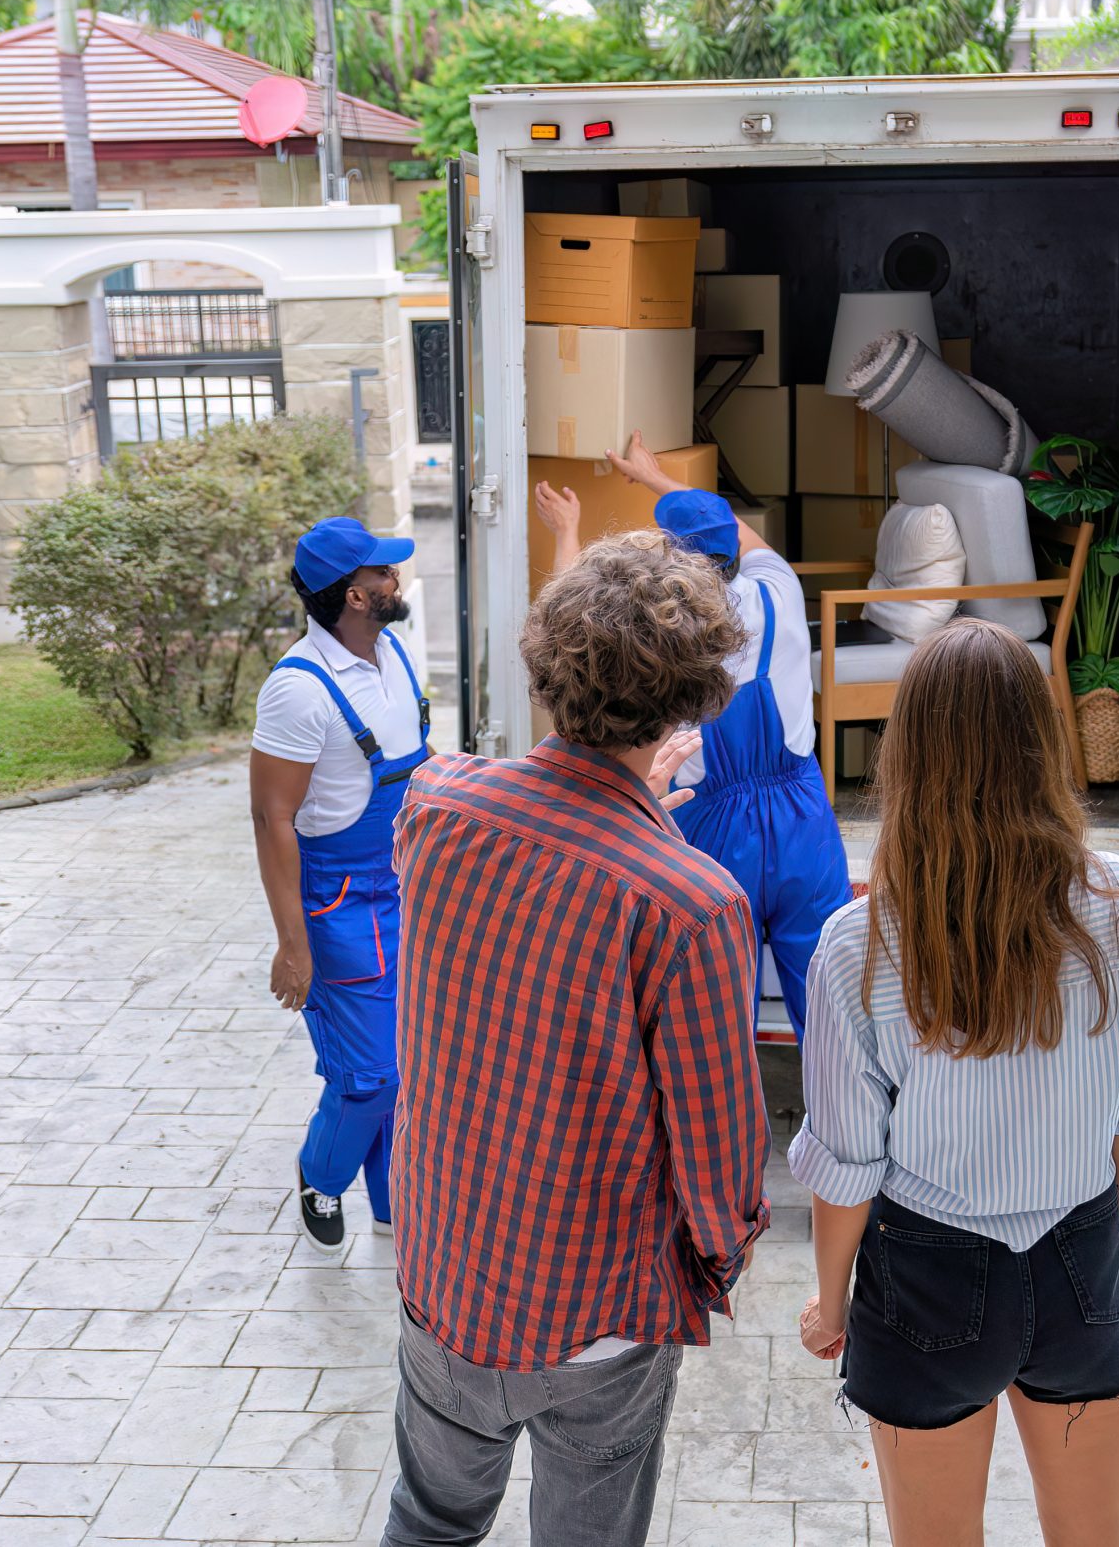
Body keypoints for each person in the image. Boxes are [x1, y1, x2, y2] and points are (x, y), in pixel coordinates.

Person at [384, 531, 771, 1547]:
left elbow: (549, 851)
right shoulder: (688, 900)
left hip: (444, 1276)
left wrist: (640, 804)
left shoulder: (434, 807)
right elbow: (720, 1155)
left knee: (427, 1521)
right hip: (597, 1309)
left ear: (549, 667)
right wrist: (713, 1269)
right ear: (694, 700)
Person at [789, 620, 1119, 1547]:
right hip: (1082, 1253)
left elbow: (845, 1169)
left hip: (926, 1282)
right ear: (1043, 744)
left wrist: (831, 1303)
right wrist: (1094, 1245)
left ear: (908, 758)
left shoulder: (859, 943)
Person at [532, 433, 850, 1040]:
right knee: (830, 1000)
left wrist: (567, 528)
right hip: (802, 820)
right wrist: (657, 479)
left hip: (709, 830)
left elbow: (580, 627)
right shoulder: (779, 588)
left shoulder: (667, 630)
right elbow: (730, 526)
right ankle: (842, 1124)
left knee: (717, 1016)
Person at [247, 516, 426, 1256]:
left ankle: (393, 1201)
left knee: (409, 1061)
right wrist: (294, 944)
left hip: (408, 889)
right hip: (341, 902)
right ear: (356, 594)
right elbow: (270, 818)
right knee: (370, 1074)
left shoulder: (396, 654)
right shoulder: (297, 691)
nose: (396, 580)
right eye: (383, 573)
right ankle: (321, 1171)